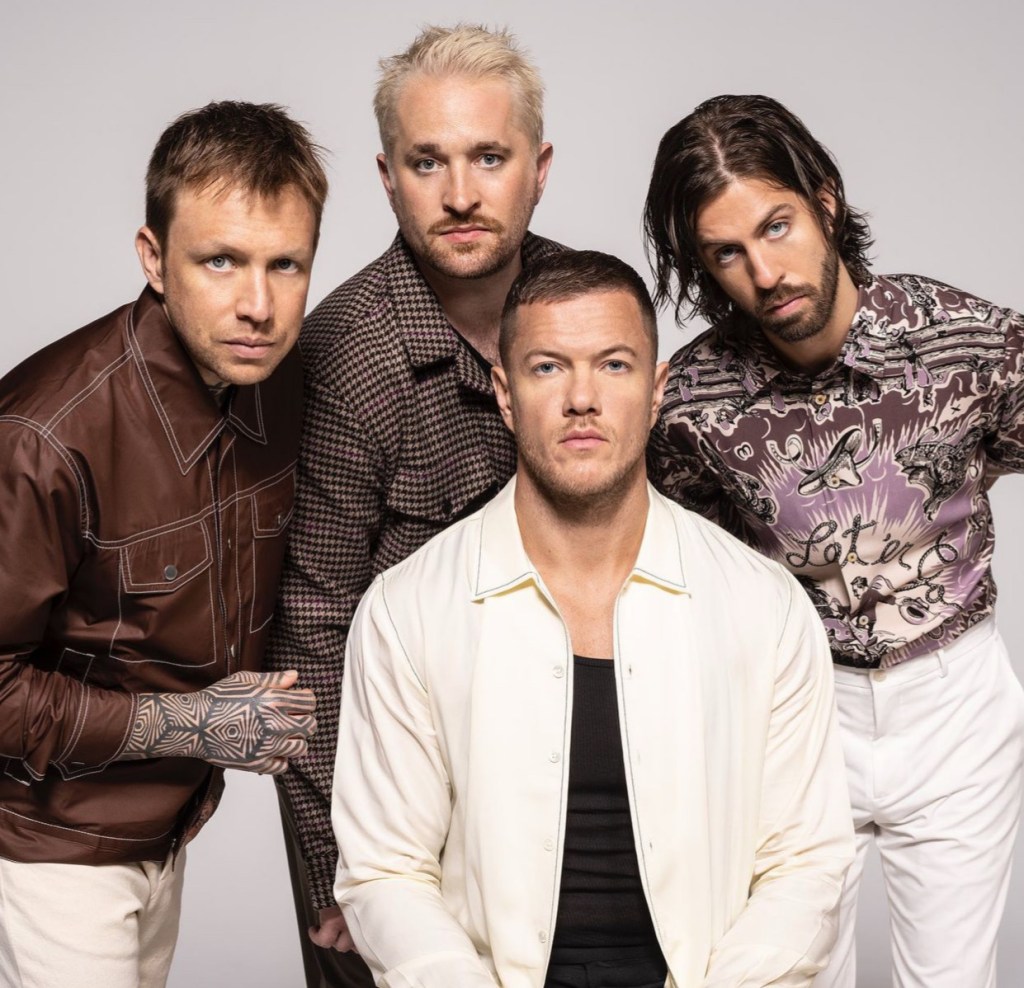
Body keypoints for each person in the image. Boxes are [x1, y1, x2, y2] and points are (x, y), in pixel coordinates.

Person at [331, 250, 853, 988]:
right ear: (505, 393)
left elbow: (805, 864)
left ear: (656, 390)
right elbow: (386, 873)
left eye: (613, 365)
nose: (582, 398)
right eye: (548, 368)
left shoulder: (762, 605)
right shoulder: (407, 609)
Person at [644, 94, 1024, 988]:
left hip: (956, 705)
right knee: (790, 974)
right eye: (726, 252)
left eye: (776, 226)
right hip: (797, 716)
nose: (764, 271)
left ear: (825, 200)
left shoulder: (965, 342)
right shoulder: (690, 405)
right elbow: (683, 572)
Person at [0, 100, 327, 988]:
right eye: (220, 260)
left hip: (171, 827)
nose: (257, 306)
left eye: (285, 264)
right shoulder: (43, 437)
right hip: (50, 843)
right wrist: (190, 723)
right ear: (153, 258)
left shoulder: (279, 385)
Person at [265, 24, 561, 986]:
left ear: (539, 168)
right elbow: (309, 625)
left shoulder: (587, 307)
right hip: (393, 804)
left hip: (561, 783)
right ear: (388, 178)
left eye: (489, 157)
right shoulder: (346, 354)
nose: (461, 193)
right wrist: (340, 870)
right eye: (428, 162)